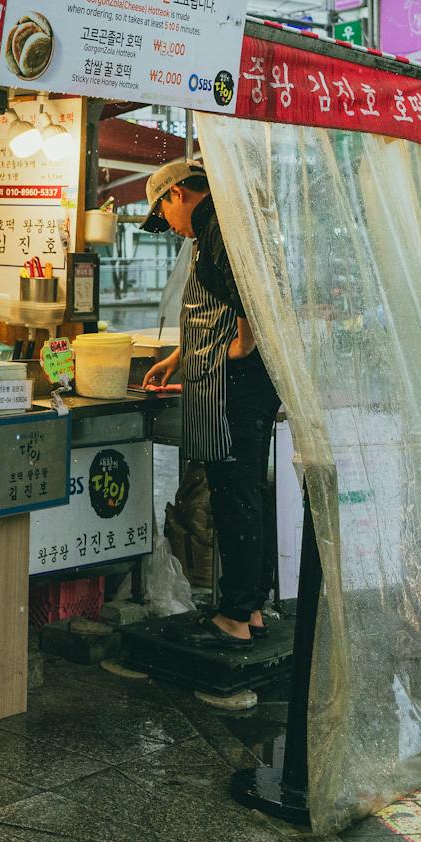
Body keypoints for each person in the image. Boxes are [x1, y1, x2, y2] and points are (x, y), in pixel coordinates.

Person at [139, 158, 280, 646]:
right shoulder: (219, 226)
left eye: (162, 214)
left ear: (177, 193)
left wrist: (243, 342)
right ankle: (251, 607)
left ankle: (235, 617)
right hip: (235, 380)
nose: (168, 226)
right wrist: (179, 357)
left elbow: (249, 291)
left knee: (235, 494)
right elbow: (215, 304)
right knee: (248, 493)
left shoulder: (218, 225)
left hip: (233, 383)